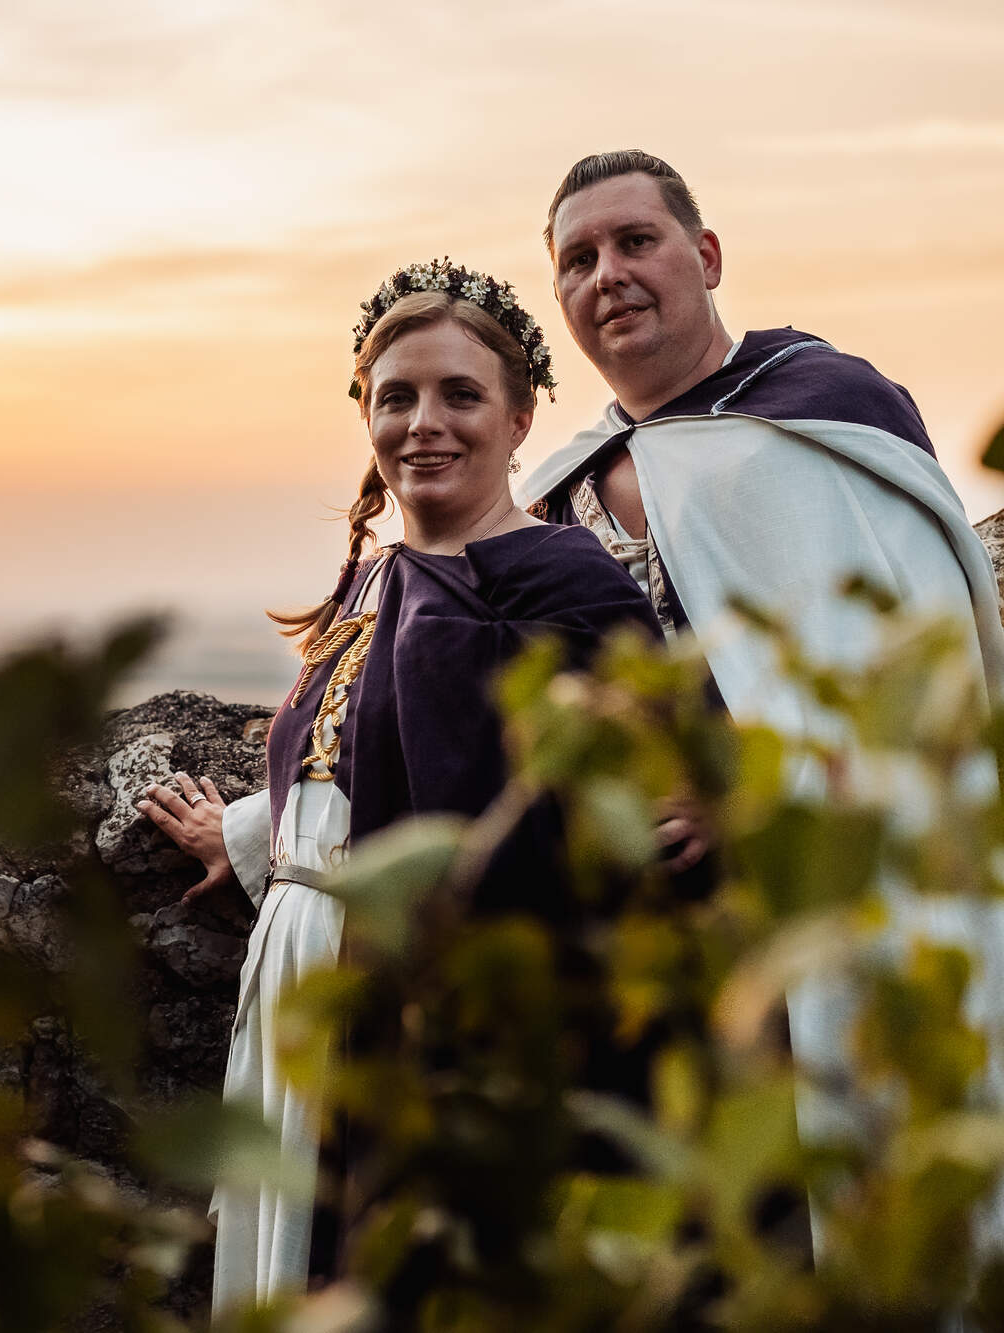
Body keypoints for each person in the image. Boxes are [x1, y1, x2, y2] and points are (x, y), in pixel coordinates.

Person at [138, 260, 659, 1316]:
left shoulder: (566, 584)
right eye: (396, 397)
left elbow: (598, 809)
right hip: (302, 979)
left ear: (519, 418)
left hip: (437, 999)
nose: (425, 423)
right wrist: (249, 836)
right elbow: (356, 764)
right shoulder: (373, 578)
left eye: (460, 394)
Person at [519, 150, 1004, 1248]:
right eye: (577, 260)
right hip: (645, 967)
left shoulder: (824, 416)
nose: (607, 274)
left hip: (818, 911)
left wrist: (746, 791)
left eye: (634, 241)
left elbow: (904, 683)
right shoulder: (556, 492)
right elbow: (463, 700)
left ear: (705, 255)